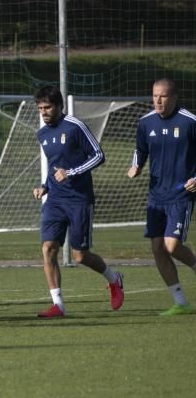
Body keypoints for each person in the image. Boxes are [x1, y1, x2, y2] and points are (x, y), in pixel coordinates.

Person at [32, 85, 123, 318]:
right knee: (48, 248)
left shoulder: (75, 126)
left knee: (80, 255)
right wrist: (45, 186)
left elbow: (98, 156)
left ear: (60, 106)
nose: (44, 112)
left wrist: (71, 172)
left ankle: (114, 279)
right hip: (55, 200)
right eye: (40, 108)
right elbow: (55, 165)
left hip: (80, 199)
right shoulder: (42, 133)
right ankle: (58, 305)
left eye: (48, 107)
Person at [127, 78, 196, 316]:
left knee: (171, 245)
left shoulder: (190, 121)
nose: (157, 100)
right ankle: (180, 302)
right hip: (156, 196)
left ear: (174, 98)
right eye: (154, 95)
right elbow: (140, 150)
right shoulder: (146, 122)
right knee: (157, 248)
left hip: (181, 194)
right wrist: (136, 166)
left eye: (163, 96)